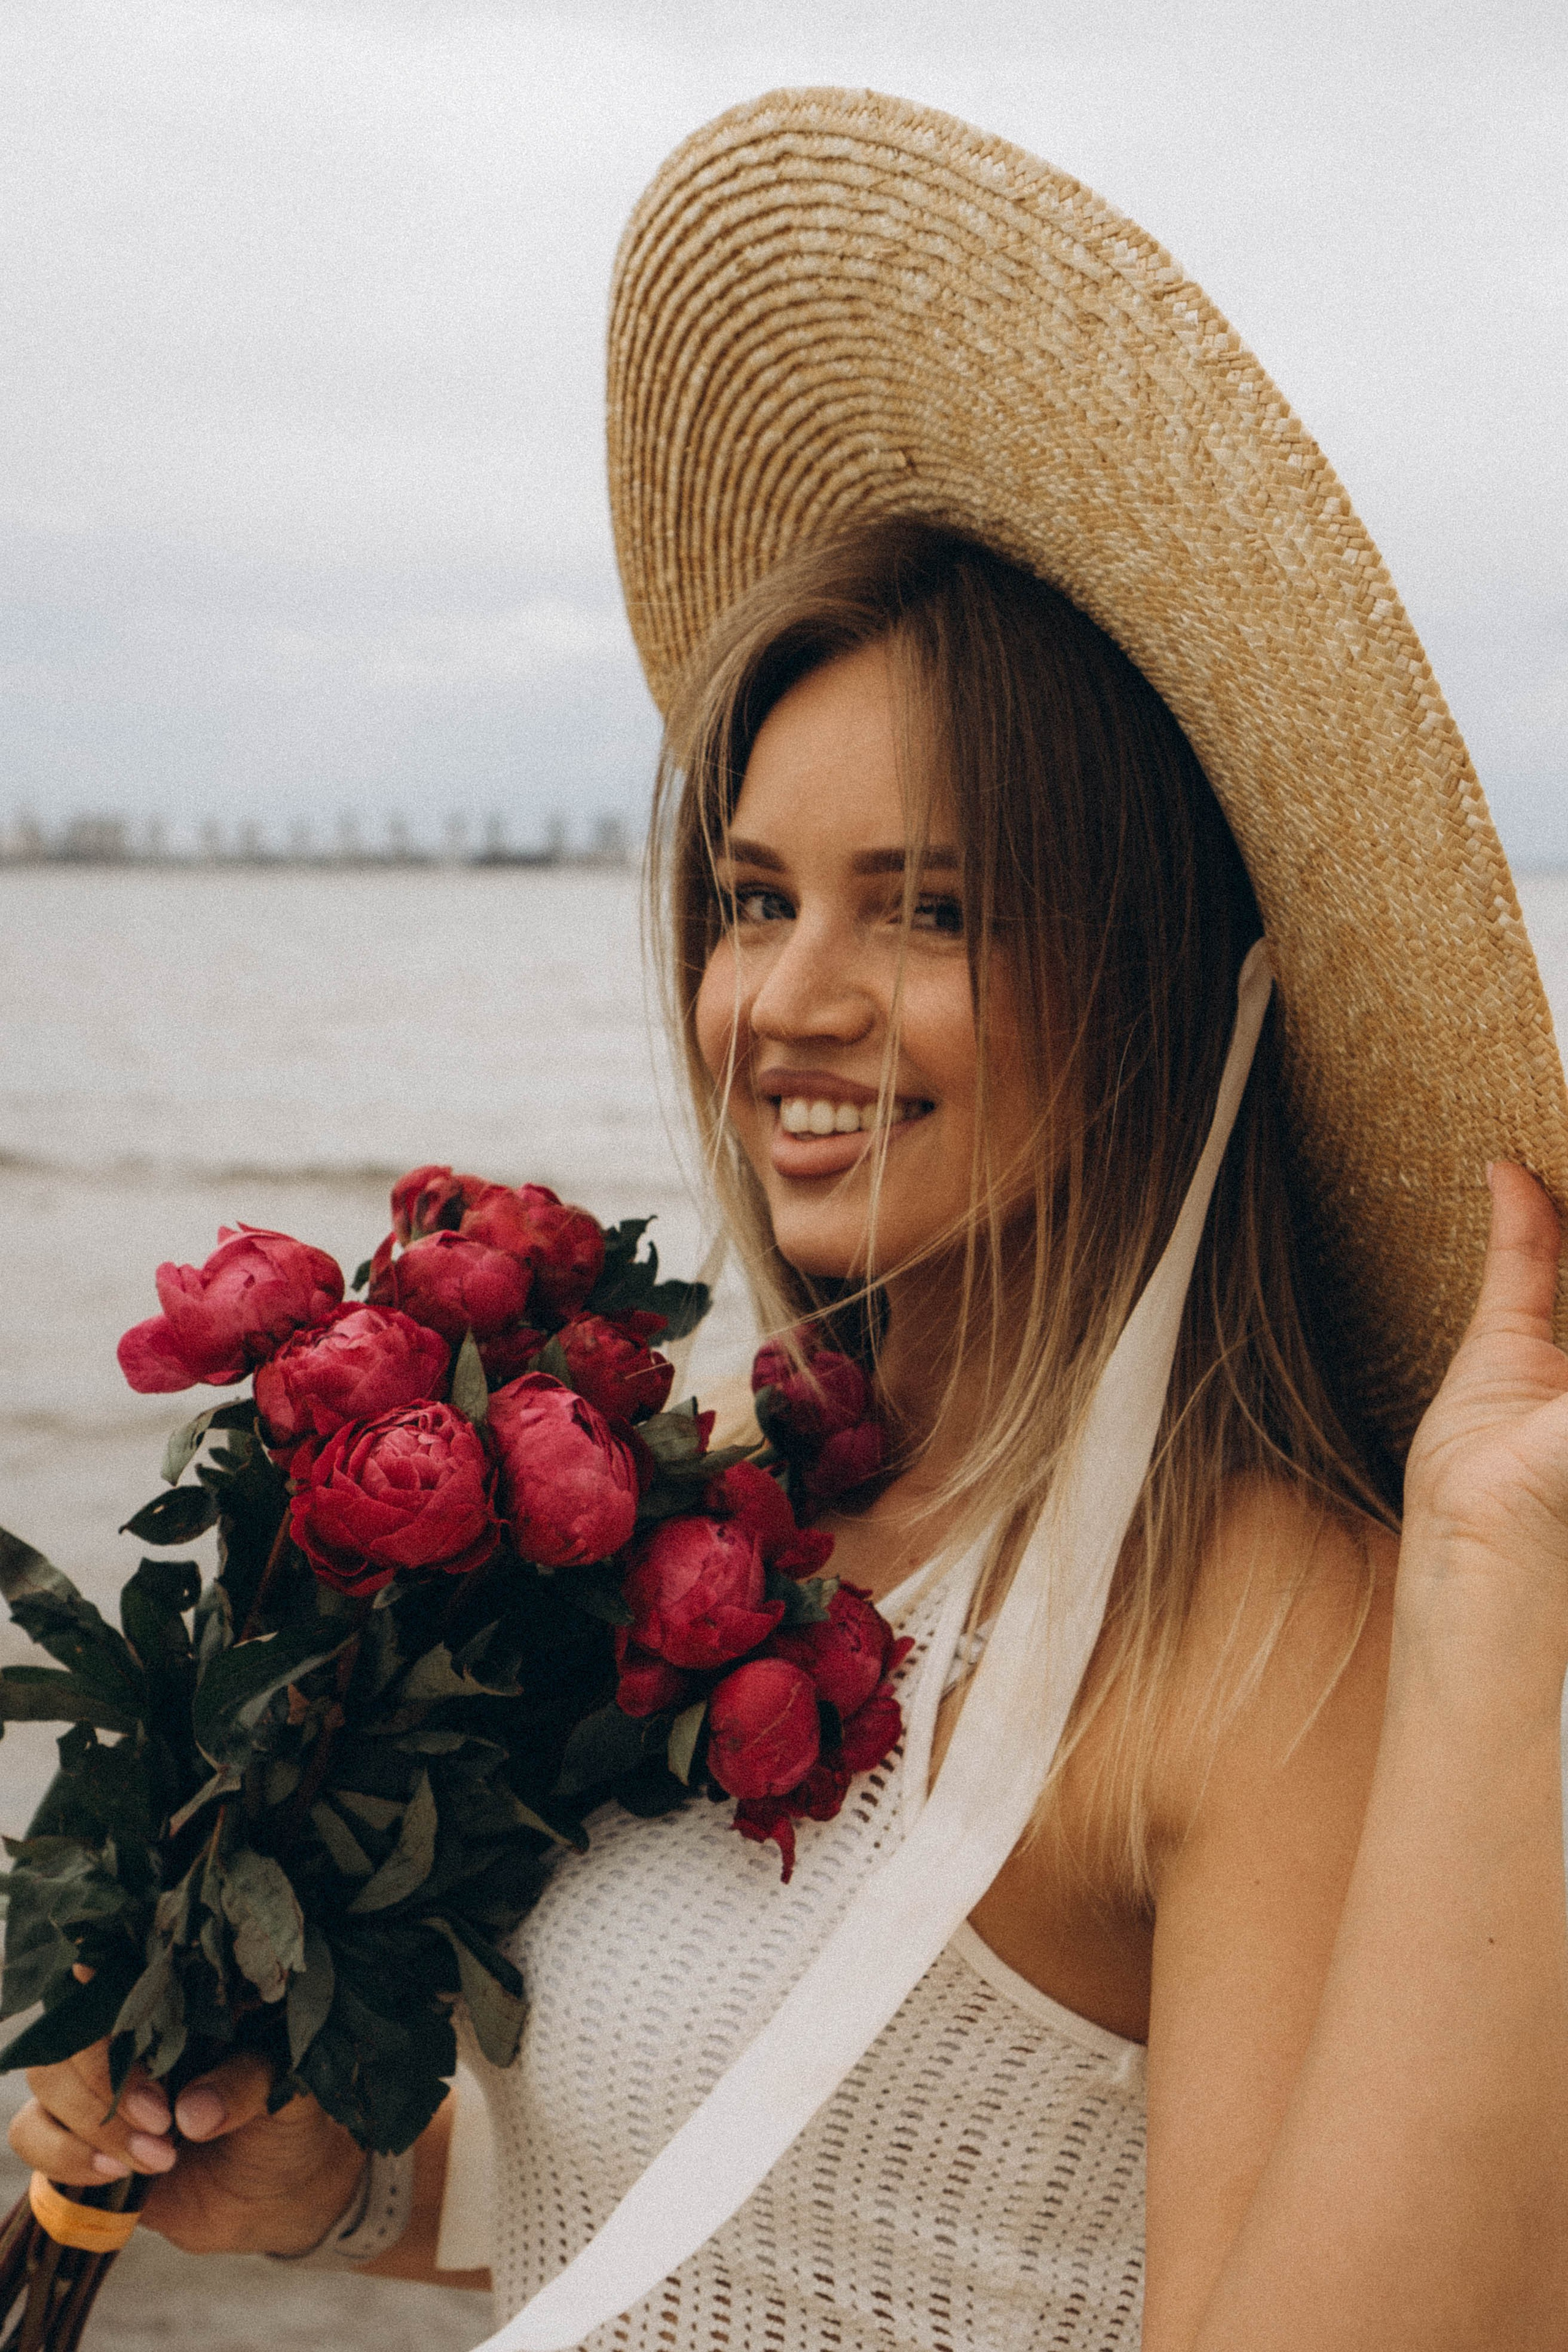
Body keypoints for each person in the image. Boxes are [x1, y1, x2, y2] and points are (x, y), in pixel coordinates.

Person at [12, 88, 1568, 2352]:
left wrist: (1494, 1594)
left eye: (923, 907)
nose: (786, 1003)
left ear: (1135, 971)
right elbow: (707, 2162)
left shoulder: (1251, 1618)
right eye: (754, 898)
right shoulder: (726, 1517)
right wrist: (329, 2188)